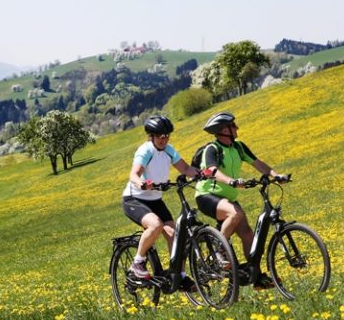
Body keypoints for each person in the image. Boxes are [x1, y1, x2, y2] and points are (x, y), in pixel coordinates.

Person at [194, 111, 285, 289]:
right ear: (223, 130)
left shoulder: (239, 147)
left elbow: (258, 163)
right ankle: (219, 249)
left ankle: (256, 276)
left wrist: (275, 175)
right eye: (233, 126)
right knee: (235, 213)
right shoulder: (212, 149)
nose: (237, 128)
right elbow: (212, 170)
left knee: (248, 234)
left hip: (227, 198)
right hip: (207, 196)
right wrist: (231, 181)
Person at [122, 115, 202, 290]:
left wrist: (202, 173)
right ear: (151, 136)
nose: (164, 139)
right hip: (134, 199)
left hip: (155, 200)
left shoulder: (169, 150)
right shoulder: (146, 150)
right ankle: (137, 263)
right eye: (160, 136)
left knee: (175, 235)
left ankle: (179, 276)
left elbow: (186, 169)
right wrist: (141, 183)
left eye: (167, 136)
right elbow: (134, 174)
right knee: (155, 225)